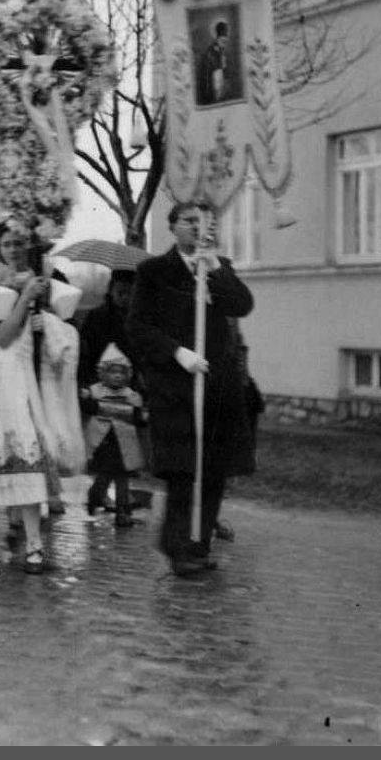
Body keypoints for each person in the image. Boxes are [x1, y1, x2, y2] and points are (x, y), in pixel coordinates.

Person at [128, 202, 254, 577]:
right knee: (183, 470)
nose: (198, 228)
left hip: (216, 386)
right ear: (172, 226)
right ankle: (177, 546)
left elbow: (242, 305)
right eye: (189, 221)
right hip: (176, 386)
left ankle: (199, 544)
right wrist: (177, 353)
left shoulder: (217, 266)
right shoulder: (153, 271)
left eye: (204, 222)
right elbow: (138, 326)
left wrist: (214, 267)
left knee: (213, 469)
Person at [0, 214, 87, 574]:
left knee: (39, 451)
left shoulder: (47, 280)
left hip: (41, 371)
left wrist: (49, 321)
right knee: (22, 449)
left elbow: (66, 324)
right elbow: (2, 336)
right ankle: (32, 543)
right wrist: (24, 300)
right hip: (9, 374)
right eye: (7, 244)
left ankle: (28, 531)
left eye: (19, 243)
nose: (14, 250)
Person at [80, 345, 147, 527]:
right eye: (113, 372)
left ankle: (122, 511)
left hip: (124, 443)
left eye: (121, 372)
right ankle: (95, 498)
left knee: (122, 478)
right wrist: (86, 399)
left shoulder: (131, 395)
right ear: (103, 373)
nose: (117, 376)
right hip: (103, 442)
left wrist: (140, 413)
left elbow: (139, 418)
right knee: (105, 476)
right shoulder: (95, 391)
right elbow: (88, 408)